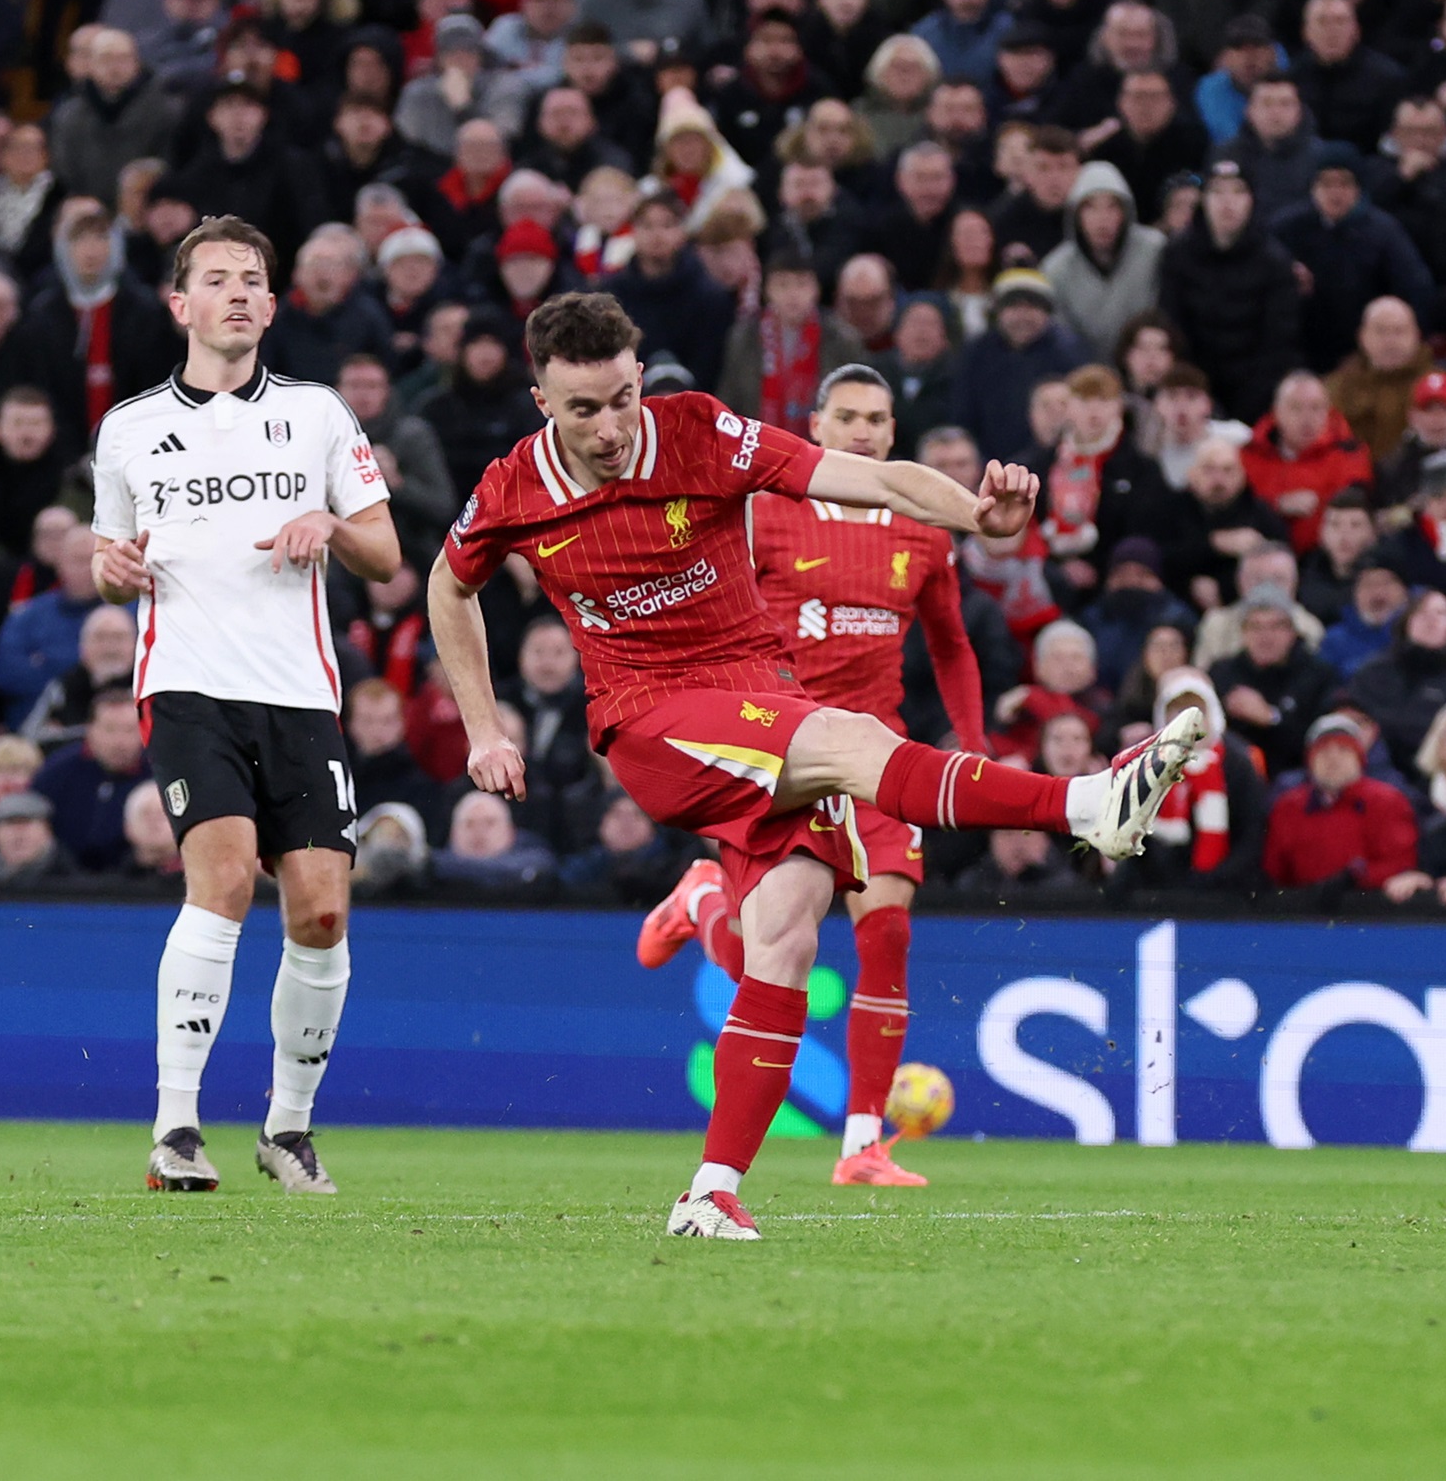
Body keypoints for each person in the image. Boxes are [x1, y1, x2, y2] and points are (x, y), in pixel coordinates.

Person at [426, 292, 1207, 1240]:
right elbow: (447, 581)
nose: (610, 426)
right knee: (853, 742)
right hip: (650, 716)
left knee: (788, 935)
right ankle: (1088, 805)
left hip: (761, 690)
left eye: (622, 398)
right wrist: (485, 726)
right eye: (581, 408)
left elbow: (871, 481)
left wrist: (978, 515)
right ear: (542, 398)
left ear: (640, 378)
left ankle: (711, 1189)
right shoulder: (515, 485)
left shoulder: (700, 429)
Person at [88, 216, 400, 1196]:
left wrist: (330, 523)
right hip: (186, 684)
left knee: (319, 909)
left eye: (251, 280)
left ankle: (287, 1129)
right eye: (214, 278)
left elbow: (388, 554)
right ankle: (175, 1125)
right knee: (221, 882)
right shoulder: (130, 427)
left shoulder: (318, 415)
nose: (235, 292)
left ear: (271, 305)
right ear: (179, 304)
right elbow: (108, 562)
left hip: (299, 692)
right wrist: (111, 567)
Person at [637, 364, 994, 1190]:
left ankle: (863, 1143)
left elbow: (950, 643)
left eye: (878, 417)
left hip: (876, 757)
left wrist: (971, 744)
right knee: (772, 953)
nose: (863, 430)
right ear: (817, 427)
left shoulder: (922, 531)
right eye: (848, 417)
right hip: (780, 757)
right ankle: (701, 900)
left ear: (893, 432)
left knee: (889, 928)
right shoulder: (765, 515)